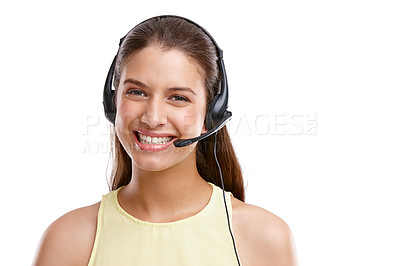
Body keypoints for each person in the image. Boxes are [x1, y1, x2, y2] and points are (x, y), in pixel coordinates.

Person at [33, 15, 298, 266]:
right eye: (136, 92)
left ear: (211, 115)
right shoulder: (68, 239)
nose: (153, 117)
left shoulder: (263, 236)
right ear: (112, 104)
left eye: (178, 97)